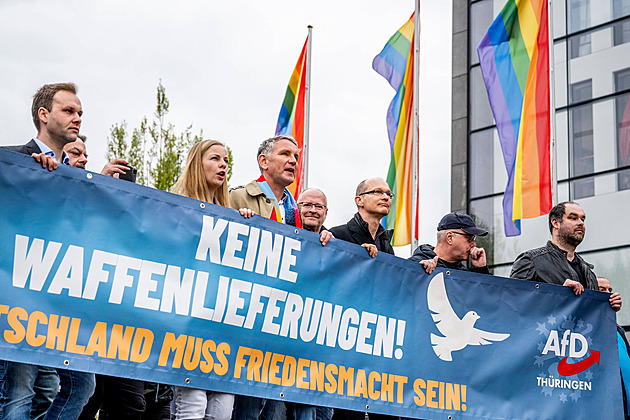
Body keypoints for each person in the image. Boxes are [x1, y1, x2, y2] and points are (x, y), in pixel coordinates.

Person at [0, 82, 95, 420]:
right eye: (69, 111)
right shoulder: (12, 161)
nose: (78, 119)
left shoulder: (75, 175)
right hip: (18, 299)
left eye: (80, 113)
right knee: (18, 391)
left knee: (82, 385)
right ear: (44, 115)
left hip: (60, 300)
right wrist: (30, 177)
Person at [229, 135, 328, 419]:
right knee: (248, 406)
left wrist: (322, 240)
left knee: (272, 410)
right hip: (249, 318)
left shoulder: (294, 209)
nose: (293, 161)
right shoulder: (238, 197)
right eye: (285, 154)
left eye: (296, 157)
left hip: (282, 324)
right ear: (263, 161)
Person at [168, 139, 257, 420]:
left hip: (223, 333)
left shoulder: (232, 214)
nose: (223, 165)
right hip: (187, 327)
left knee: (221, 414)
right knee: (191, 408)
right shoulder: (175, 207)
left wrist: (244, 226)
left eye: (226, 161)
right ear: (197, 163)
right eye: (215, 158)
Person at [510, 202, 622, 311]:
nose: (581, 223)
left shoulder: (589, 273)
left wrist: (608, 307)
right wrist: (559, 295)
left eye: (582, 219)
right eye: (573, 218)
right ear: (555, 223)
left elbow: (590, 314)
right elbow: (511, 304)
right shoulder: (532, 261)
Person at [329, 178, 395, 258]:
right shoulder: (337, 235)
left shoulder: (386, 245)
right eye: (377, 192)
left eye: (389, 194)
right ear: (359, 200)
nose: (386, 197)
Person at [409, 212, 489, 274]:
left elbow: (487, 295)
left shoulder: (464, 275)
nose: (474, 245)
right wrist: (417, 271)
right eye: (469, 238)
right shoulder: (416, 264)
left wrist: (482, 269)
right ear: (449, 237)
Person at [597, 278, 629, 418]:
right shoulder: (584, 328)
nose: (609, 294)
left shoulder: (619, 331)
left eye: (610, 290)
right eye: (602, 289)